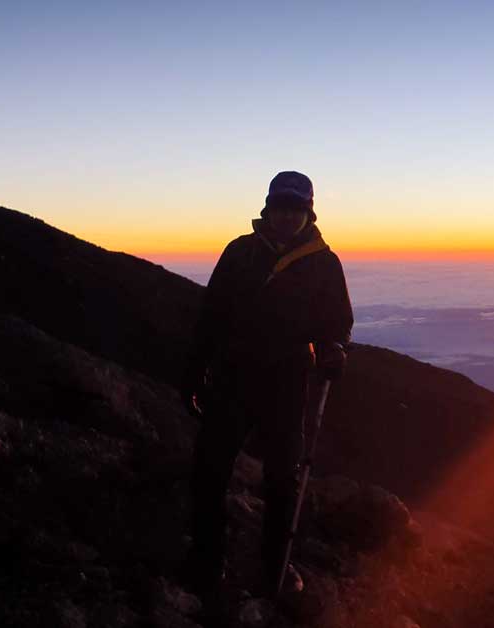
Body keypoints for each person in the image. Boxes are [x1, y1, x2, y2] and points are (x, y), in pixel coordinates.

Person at [180, 171, 353, 604]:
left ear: (308, 213)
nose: (287, 216)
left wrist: (333, 347)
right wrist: (195, 368)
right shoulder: (240, 252)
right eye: (281, 207)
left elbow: (337, 320)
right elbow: (212, 313)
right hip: (233, 375)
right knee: (210, 470)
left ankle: (273, 567)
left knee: (280, 479)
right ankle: (207, 560)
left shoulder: (324, 262)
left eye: (296, 209)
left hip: (287, 380)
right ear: (268, 208)